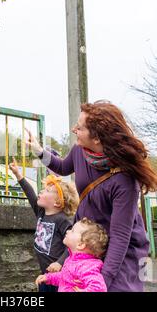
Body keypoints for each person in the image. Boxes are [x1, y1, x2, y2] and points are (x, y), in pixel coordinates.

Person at [26, 100, 157, 292]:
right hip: (89, 241)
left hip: (120, 250)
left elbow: (120, 237)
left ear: (96, 138)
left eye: (79, 127)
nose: (73, 129)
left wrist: (100, 283)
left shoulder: (125, 179)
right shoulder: (80, 151)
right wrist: (39, 151)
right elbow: (62, 167)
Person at [9, 158, 79, 292]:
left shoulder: (63, 220)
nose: (41, 192)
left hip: (60, 277)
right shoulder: (41, 212)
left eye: (47, 191)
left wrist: (60, 262)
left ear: (58, 202)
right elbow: (30, 194)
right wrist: (18, 175)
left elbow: (73, 245)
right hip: (45, 274)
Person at [36, 217, 108, 292]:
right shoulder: (72, 260)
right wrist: (49, 278)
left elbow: (99, 287)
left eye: (72, 231)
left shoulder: (86, 266)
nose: (67, 231)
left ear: (80, 245)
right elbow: (65, 277)